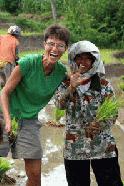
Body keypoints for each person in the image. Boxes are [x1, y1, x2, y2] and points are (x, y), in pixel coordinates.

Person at [0, 24, 70, 186]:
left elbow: (72, 83)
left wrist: (73, 83)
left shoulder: (60, 72)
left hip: (29, 120)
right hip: (4, 115)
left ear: (65, 49)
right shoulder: (27, 63)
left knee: (35, 176)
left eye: (60, 45)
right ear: (44, 44)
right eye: (51, 43)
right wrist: (8, 121)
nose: (55, 48)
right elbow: (4, 92)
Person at [55, 40, 123, 186]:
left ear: (94, 62)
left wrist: (99, 124)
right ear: (73, 60)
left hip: (103, 146)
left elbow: (113, 113)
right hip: (75, 148)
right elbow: (59, 105)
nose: (82, 61)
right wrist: (71, 88)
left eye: (87, 58)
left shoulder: (104, 85)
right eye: (79, 57)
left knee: (112, 183)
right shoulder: (65, 83)